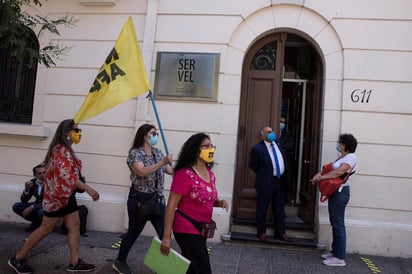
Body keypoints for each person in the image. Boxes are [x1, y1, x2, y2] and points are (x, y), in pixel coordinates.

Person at [8, 119, 100, 274]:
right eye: (76, 130)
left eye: (79, 130)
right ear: (66, 133)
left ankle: (75, 262)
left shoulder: (66, 150)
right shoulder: (60, 150)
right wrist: (89, 189)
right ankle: (17, 258)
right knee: (45, 228)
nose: (79, 133)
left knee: (74, 226)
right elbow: (67, 176)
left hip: (66, 195)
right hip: (57, 198)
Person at [160, 133, 229, 274]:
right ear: (196, 150)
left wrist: (218, 202)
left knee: (191, 267)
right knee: (203, 268)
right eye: (207, 146)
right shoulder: (184, 174)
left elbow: (203, 197)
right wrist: (166, 237)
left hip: (202, 228)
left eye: (212, 146)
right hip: (186, 227)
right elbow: (171, 205)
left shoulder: (210, 173)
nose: (211, 149)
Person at [112, 124, 173, 274]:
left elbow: (170, 171)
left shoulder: (158, 153)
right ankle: (120, 261)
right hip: (140, 201)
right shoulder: (135, 154)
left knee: (164, 234)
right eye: (153, 133)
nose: (156, 136)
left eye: (157, 133)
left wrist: (185, 165)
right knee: (133, 231)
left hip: (157, 201)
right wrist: (162, 162)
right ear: (144, 135)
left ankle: (163, 266)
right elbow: (141, 172)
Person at [311, 133, 357, 267]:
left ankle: (340, 258)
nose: (337, 144)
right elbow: (329, 169)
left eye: (339, 142)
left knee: (338, 224)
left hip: (341, 193)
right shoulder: (342, 157)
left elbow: (338, 173)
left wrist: (320, 178)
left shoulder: (351, 157)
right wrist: (318, 175)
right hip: (335, 192)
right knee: (334, 222)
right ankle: (335, 251)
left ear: (344, 145)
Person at [248, 126, 291, 242]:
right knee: (262, 208)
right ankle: (261, 232)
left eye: (272, 131)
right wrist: (264, 174)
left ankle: (280, 232)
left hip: (280, 182)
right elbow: (253, 165)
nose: (272, 134)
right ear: (263, 136)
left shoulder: (278, 144)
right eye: (269, 132)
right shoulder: (258, 148)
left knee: (279, 208)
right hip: (266, 182)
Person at [12, 164, 46, 232]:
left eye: (44, 172)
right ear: (35, 175)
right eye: (39, 173)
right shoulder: (33, 181)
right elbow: (24, 200)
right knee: (16, 206)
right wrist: (27, 190)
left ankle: (46, 226)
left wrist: (32, 207)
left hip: (48, 206)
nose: (43, 175)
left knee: (41, 212)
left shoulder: (52, 182)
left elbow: (50, 201)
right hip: (38, 204)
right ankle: (37, 223)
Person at [277, 115, 294, 209]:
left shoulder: (287, 134)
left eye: (283, 122)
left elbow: (290, 146)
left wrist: (279, 144)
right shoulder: (272, 132)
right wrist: (282, 146)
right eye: (280, 121)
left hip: (284, 164)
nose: (281, 124)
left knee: (283, 186)